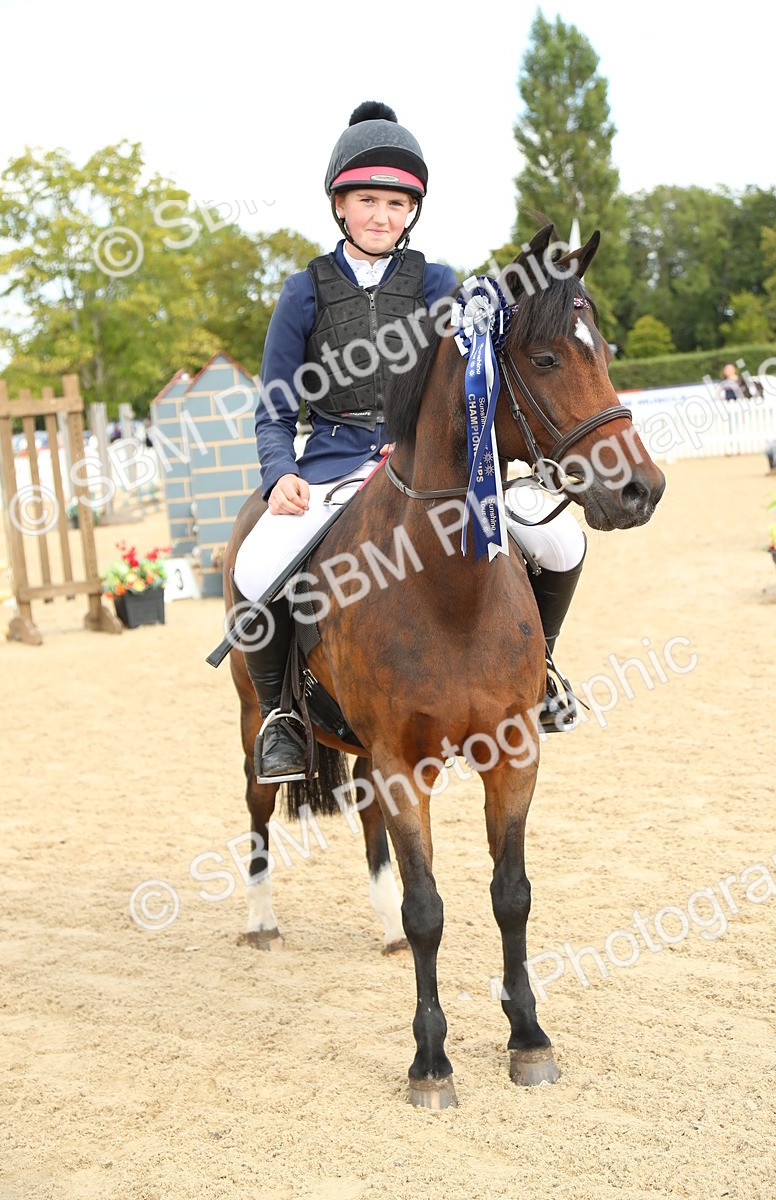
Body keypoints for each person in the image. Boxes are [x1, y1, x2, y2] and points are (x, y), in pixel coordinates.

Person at [233, 101, 586, 782]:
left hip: (430, 467)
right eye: (367, 201)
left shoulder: (436, 282)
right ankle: (280, 714)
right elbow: (275, 409)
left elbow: (481, 361)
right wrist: (279, 474)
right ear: (341, 205)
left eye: (397, 204)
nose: (382, 216)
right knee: (254, 568)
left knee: (562, 542)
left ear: (412, 211)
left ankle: (540, 670)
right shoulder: (302, 293)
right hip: (333, 465)